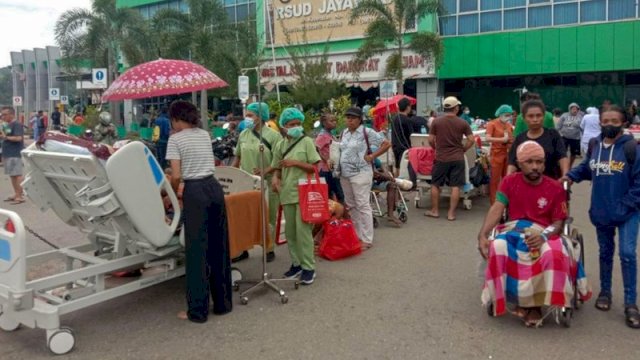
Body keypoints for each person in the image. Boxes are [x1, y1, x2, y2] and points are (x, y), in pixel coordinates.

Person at [478, 141, 589, 327]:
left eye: (539, 162)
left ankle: (535, 305)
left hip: (545, 232)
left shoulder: (554, 188)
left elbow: (558, 222)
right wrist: (483, 235)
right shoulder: (509, 182)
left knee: (553, 254)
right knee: (498, 246)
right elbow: (498, 208)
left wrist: (543, 236)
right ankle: (513, 298)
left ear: (544, 164)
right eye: (529, 162)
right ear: (520, 164)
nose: (535, 166)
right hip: (515, 229)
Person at [564, 105, 640, 329]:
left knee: (627, 254)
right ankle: (605, 293)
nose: (609, 125)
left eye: (615, 121)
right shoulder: (595, 144)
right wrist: (570, 177)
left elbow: (638, 183)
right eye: (605, 120)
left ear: (623, 123)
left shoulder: (632, 148)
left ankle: (630, 304)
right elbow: (588, 167)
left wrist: (625, 205)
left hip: (628, 211)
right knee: (605, 253)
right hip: (602, 210)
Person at [166, 100, 232, 323]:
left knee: (197, 252)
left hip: (195, 191)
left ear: (175, 119)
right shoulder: (204, 134)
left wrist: (172, 194)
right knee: (218, 246)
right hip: (214, 188)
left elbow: (175, 176)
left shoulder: (175, 139)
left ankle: (197, 311)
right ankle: (223, 304)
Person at [271, 108, 321, 285]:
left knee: (303, 232)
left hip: (304, 193)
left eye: (298, 124)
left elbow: (315, 167)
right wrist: (276, 178)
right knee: (290, 233)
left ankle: (309, 268)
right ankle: (296, 264)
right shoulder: (280, 145)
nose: (296, 127)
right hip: (286, 193)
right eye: (292, 125)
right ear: (284, 126)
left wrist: (295, 163)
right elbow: (277, 166)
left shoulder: (306, 141)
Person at [232, 102, 281, 262]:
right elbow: (237, 156)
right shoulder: (243, 134)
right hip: (246, 183)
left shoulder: (273, 136)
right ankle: (243, 249)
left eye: (250, 115)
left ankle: (269, 248)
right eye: (247, 115)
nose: (247, 118)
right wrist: (231, 174)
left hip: (267, 182)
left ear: (260, 116)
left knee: (268, 216)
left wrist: (266, 170)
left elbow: (279, 160)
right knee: (244, 217)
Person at [338, 107, 391, 249]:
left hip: (361, 172)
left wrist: (373, 156)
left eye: (353, 118)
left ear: (359, 119)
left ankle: (367, 239)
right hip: (345, 173)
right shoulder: (344, 133)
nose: (349, 120)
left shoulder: (367, 132)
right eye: (348, 117)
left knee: (362, 204)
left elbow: (386, 143)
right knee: (351, 205)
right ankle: (357, 235)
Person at [424, 96, 474, 221]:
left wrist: (435, 148)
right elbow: (471, 140)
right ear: (456, 108)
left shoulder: (436, 122)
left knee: (435, 184)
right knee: (455, 186)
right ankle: (451, 214)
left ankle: (435, 211)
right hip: (458, 158)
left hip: (441, 158)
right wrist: (463, 149)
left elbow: (430, 139)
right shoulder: (463, 123)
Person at [508, 100, 569, 180]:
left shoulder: (553, 135)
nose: (535, 119)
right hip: (526, 184)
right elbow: (512, 163)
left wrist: (565, 175)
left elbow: (562, 157)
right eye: (531, 116)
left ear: (543, 116)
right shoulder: (520, 139)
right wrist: (507, 180)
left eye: (539, 115)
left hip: (551, 182)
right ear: (524, 118)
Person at [485, 104, 514, 204]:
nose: (508, 117)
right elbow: (487, 138)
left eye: (510, 115)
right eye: (506, 115)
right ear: (500, 114)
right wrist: (501, 139)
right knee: (495, 180)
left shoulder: (509, 125)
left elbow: (512, 138)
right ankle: (494, 202)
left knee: (507, 179)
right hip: (496, 154)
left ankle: (506, 201)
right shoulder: (492, 124)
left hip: (507, 154)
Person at [315, 113, 344, 203]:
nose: (334, 123)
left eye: (335, 120)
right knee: (333, 194)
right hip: (325, 170)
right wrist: (326, 160)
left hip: (332, 169)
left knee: (335, 194)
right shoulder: (322, 136)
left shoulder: (330, 134)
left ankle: (338, 214)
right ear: (324, 123)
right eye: (331, 121)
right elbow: (316, 148)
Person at [0, 107, 25, 205]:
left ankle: (20, 195)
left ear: (11, 114)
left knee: (17, 174)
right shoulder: (7, 125)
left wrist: (5, 137)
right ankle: (16, 193)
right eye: (2, 114)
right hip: (7, 152)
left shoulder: (17, 124)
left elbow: (18, 138)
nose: (3, 116)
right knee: (12, 175)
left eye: (5, 114)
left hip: (15, 152)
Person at [372, 152, 402, 226]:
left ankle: (390, 214)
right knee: (389, 180)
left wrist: (388, 175)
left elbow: (384, 169)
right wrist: (387, 177)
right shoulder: (365, 159)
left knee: (392, 185)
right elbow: (375, 173)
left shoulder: (375, 159)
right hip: (368, 183)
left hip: (377, 182)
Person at [390, 97, 414, 176]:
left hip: (395, 145)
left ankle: (397, 182)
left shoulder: (394, 119)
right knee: (404, 167)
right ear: (407, 107)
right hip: (405, 147)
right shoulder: (407, 120)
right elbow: (411, 136)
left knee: (397, 165)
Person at [556, 102, 584, 167]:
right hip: (564, 137)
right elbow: (558, 126)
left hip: (576, 138)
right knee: (563, 152)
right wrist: (557, 134)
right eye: (573, 109)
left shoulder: (581, 117)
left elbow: (583, 127)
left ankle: (569, 166)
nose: (574, 110)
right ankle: (563, 165)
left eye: (576, 109)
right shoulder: (564, 115)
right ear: (569, 109)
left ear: (578, 109)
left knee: (574, 153)